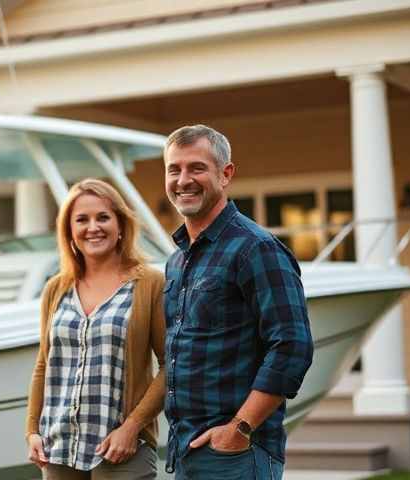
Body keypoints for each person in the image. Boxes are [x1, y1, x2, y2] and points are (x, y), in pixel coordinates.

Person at [162, 125, 314, 479]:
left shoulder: (255, 248)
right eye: (174, 169)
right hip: (187, 450)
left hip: (236, 455)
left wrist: (239, 430)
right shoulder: (178, 260)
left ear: (225, 173)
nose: (183, 179)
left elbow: (292, 345)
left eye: (196, 167)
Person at [25, 178, 166, 479]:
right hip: (59, 448)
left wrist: (131, 428)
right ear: (69, 231)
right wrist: (32, 431)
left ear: (120, 225)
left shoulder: (149, 284)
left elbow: (173, 366)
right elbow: (43, 366)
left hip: (122, 448)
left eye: (103, 217)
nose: (93, 227)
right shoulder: (55, 289)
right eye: (82, 220)